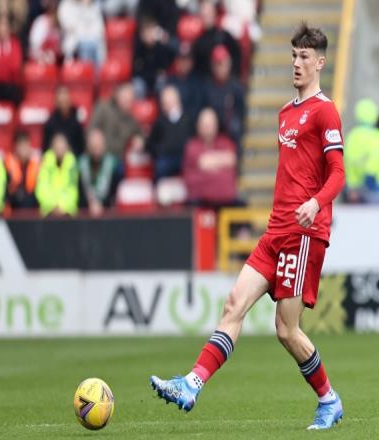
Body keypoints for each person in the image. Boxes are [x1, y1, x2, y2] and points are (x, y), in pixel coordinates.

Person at [151, 23, 346, 431]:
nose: (296, 63)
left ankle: (329, 399)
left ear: (320, 63)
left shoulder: (325, 111)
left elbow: (338, 173)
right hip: (275, 231)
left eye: (304, 57)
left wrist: (315, 203)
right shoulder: (285, 113)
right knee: (233, 305)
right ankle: (191, 384)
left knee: (286, 330)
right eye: (293, 56)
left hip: (304, 234)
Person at [183, 107, 237, 206]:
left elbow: (231, 159)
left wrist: (211, 161)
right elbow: (204, 163)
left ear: (216, 125)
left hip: (227, 202)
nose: (208, 128)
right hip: (200, 203)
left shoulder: (225, 142)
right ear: (198, 126)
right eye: (205, 125)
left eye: (210, 124)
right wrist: (221, 161)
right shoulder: (192, 146)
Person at [345, 98, 379, 204]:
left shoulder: (352, 136)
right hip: (375, 185)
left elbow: (347, 162)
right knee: (377, 214)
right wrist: (369, 178)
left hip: (355, 188)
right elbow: (376, 159)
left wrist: (351, 187)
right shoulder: (378, 136)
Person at [204, 44, 245, 153]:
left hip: (230, 129)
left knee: (235, 125)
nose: (220, 68)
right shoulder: (207, 86)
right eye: (217, 64)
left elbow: (241, 111)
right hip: (212, 129)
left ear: (229, 64)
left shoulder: (236, 86)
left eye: (222, 64)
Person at [146, 85, 191, 181]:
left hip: (185, 157)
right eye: (165, 102)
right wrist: (159, 151)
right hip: (166, 158)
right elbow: (150, 144)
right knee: (160, 167)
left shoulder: (188, 119)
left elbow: (194, 140)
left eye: (171, 101)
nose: (169, 105)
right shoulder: (159, 121)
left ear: (178, 101)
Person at [89, 82, 144, 161]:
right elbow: (91, 128)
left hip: (118, 158)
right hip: (98, 155)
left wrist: (139, 138)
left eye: (130, 99)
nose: (127, 100)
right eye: (124, 97)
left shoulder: (132, 121)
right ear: (117, 95)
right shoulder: (103, 107)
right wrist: (95, 137)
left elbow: (140, 133)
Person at [78, 129, 122, 217]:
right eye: (94, 146)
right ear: (88, 146)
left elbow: (114, 195)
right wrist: (91, 204)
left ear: (104, 146)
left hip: (107, 213)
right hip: (84, 213)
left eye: (99, 146)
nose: (96, 150)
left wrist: (100, 205)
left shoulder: (114, 166)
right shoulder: (79, 165)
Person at [192, 0, 241, 78]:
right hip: (206, 82)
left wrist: (230, 75)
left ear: (214, 14)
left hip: (226, 80)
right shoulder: (199, 42)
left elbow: (237, 57)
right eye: (203, 16)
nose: (206, 18)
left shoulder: (225, 36)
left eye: (208, 15)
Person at [132, 16, 176, 97]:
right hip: (144, 80)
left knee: (162, 82)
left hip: (157, 81)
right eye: (146, 32)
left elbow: (167, 63)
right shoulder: (138, 48)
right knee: (137, 85)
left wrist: (166, 40)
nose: (149, 35)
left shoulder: (161, 46)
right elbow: (137, 71)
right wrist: (154, 74)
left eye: (151, 31)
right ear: (141, 34)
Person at [36, 132, 78, 216]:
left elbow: (73, 191)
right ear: (52, 147)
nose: (59, 148)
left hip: (67, 213)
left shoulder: (72, 164)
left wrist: (62, 206)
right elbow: (42, 189)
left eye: (62, 146)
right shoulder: (46, 163)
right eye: (57, 145)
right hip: (48, 212)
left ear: (67, 147)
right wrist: (53, 205)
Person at [166, 42, 205, 126]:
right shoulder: (170, 81)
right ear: (176, 61)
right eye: (182, 59)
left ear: (192, 62)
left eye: (187, 60)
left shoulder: (197, 82)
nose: (184, 63)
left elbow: (197, 108)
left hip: (191, 125)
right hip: (172, 124)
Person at [57, 0, 105, 68]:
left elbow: (99, 28)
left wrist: (87, 7)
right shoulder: (65, 5)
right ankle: (86, 70)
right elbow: (70, 26)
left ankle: (96, 71)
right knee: (86, 45)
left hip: (93, 40)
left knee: (95, 43)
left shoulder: (89, 5)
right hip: (74, 42)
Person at [42, 86, 85, 156]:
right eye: (61, 101)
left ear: (69, 100)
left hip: (73, 158)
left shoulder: (76, 123)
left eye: (65, 101)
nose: (63, 103)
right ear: (56, 102)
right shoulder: (50, 124)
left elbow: (81, 148)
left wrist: (69, 150)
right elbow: (45, 149)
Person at [4, 131, 40, 209]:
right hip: (14, 206)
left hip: (33, 206)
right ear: (15, 147)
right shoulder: (7, 165)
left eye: (26, 145)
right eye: (21, 146)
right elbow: (7, 192)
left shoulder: (37, 164)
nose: (24, 149)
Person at [28, 0, 61, 64]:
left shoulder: (58, 25)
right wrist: (43, 55)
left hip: (54, 62)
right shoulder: (41, 22)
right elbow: (34, 46)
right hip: (39, 60)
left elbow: (59, 49)